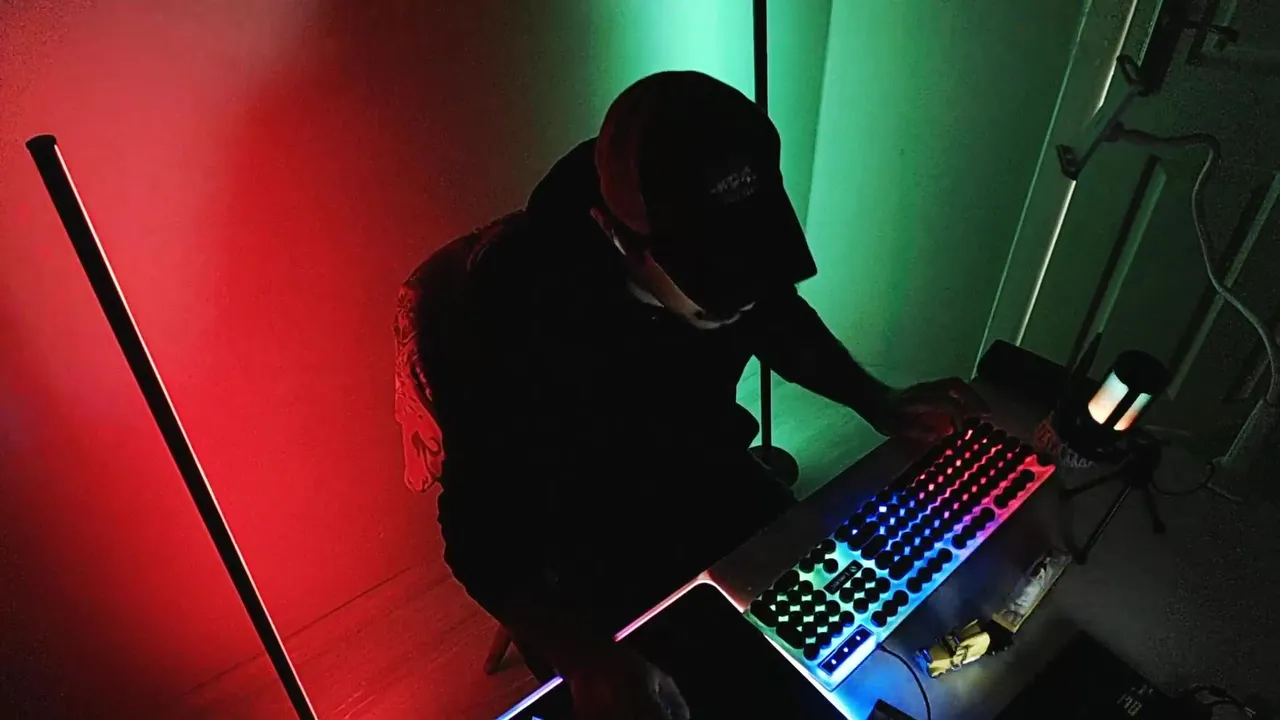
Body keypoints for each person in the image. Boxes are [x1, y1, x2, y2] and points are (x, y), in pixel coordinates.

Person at [410, 71, 987, 720]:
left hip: (711, 479)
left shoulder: (726, 248)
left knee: (864, 632)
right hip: (587, 541)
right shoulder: (511, 309)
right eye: (714, 285)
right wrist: (584, 656)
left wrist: (878, 401)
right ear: (616, 235)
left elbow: (778, 319)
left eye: (752, 269)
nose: (741, 298)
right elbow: (476, 532)